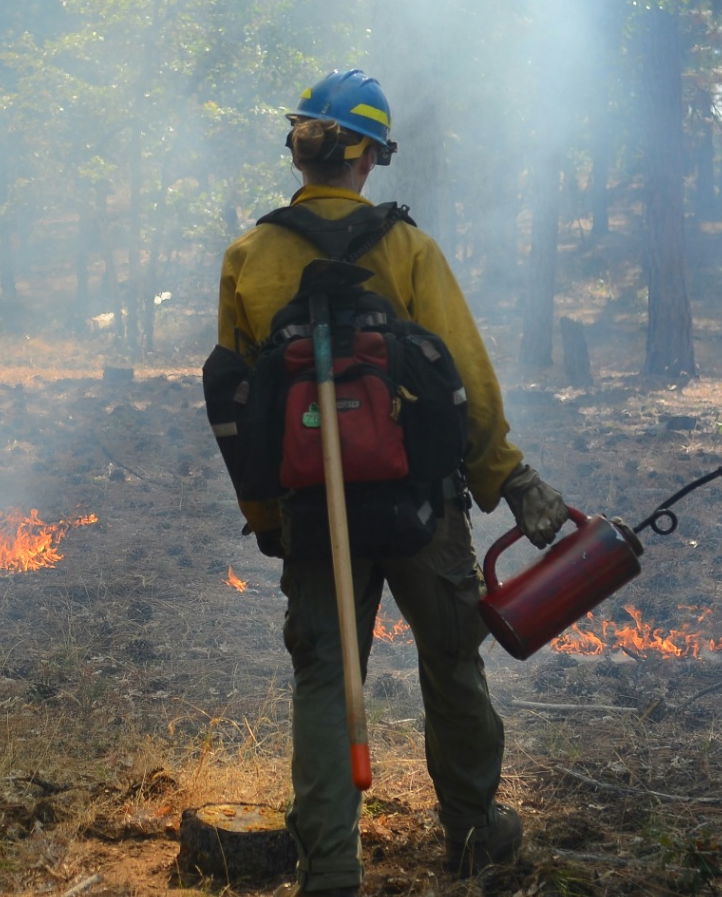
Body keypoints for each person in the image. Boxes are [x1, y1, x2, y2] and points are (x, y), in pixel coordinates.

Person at [213, 70, 569, 889]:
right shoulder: (408, 248)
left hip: (311, 509)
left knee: (325, 676)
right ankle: (476, 832)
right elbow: (466, 379)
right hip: (420, 507)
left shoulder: (249, 256)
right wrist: (508, 478)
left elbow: (243, 405)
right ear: (368, 156)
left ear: (301, 148)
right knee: (452, 660)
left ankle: (332, 866)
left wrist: (266, 515)